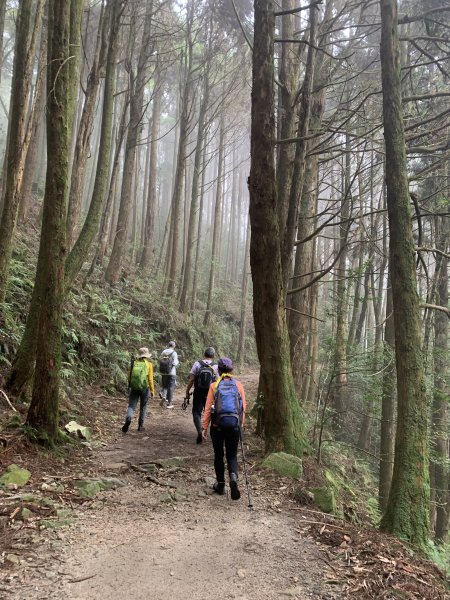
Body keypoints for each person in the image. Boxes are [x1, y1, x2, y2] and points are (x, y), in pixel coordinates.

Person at [202, 357, 246, 500]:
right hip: (234, 426)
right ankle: (233, 476)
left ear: (219, 370)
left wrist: (204, 427)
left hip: (217, 427)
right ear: (231, 369)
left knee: (219, 455)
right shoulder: (238, 385)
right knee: (232, 455)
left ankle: (220, 484)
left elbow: (208, 408)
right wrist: (241, 425)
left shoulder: (214, 385)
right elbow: (243, 408)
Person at [185, 347, 218, 444]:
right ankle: (209, 432)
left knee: (196, 412)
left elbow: (191, 379)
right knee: (211, 412)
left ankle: (200, 431)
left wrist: (187, 391)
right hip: (211, 393)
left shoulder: (197, 364)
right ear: (213, 356)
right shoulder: (216, 366)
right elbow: (219, 381)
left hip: (198, 391)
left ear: (204, 354)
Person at [122, 347, 155, 433]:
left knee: (131, 406)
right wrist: (152, 391)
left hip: (134, 387)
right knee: (143, 407)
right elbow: (150, 379)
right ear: (147, 355)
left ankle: (128, 418)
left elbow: (129, 376)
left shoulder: (134, 363)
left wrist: (129, 386)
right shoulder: (149, 364)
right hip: (144, 388)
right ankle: (140, 425)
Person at [158, 340, 179, 409]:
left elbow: (160, 359)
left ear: (168, 345)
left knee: (164, 386)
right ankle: (169, 404)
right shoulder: (174, 353)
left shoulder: (164, 351)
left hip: (164, 372)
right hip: (171, 373)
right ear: (174, 346)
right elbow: (175, 363)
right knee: (171, 387)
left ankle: (164, 396)